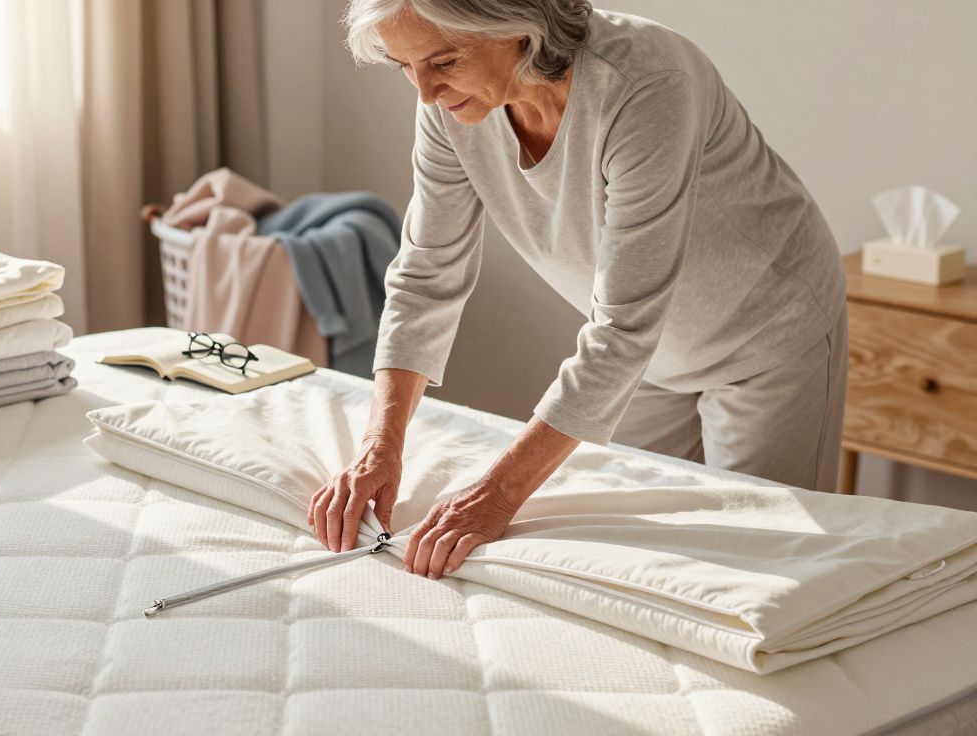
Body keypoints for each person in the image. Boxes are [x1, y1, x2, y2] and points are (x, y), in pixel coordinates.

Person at [308, 0, 847, 580]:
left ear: (518, 28)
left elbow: (624, 326)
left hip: (766, 336)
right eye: (403, 67)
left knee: (760, 562)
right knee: (637, 558)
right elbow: (425, 275)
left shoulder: (646, 84)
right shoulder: (451, 107)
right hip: (643, 357)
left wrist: (497, 492)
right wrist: (380, 446)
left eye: (444, 61)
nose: (426, 92)